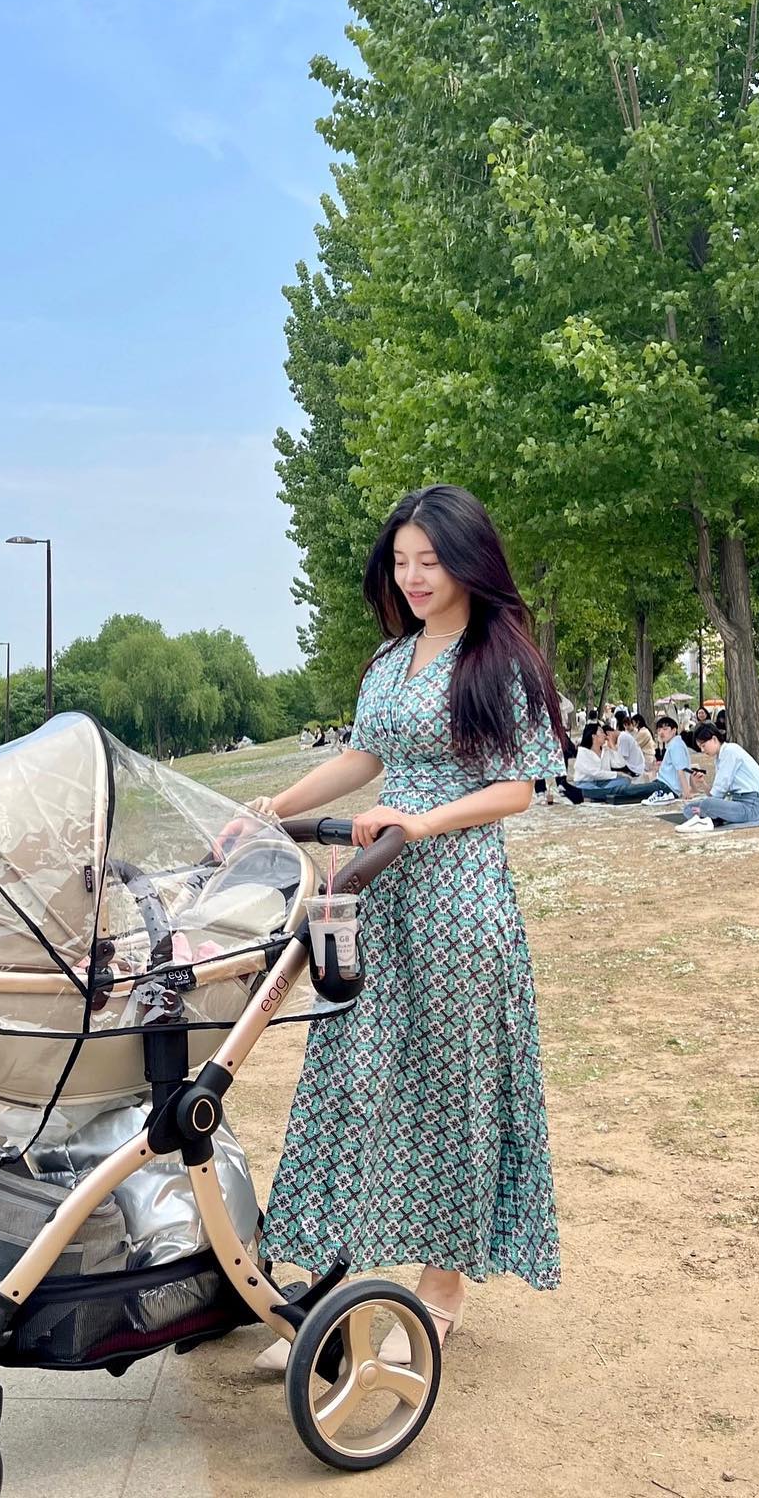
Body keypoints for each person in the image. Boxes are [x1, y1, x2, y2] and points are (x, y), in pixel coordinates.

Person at [243, 484, 564, 1371]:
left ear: (466, 562)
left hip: (459, 898)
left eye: (430, 561)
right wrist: (271, 808)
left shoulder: (497, 659)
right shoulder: (390, 660)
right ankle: (325, 1284)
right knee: (351, 1080)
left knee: (451, 1088)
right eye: (401, 562)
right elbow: (361, 757)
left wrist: (423, 822)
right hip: (373, 895)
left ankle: (438, 1293)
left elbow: (516, 789)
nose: (414, 577)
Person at [676, 723, 759, 833]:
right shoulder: (719, 758)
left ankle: (709, 818)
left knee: (706, 804)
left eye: (703, 745)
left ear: (714, 739)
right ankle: (712, 818)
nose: (702, 750)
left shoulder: (730, 751)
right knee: (689, 808)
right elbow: (717, 794)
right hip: (736, 802)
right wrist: (702, 783)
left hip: (752, 806)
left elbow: (717, 793)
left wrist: (705, 808)